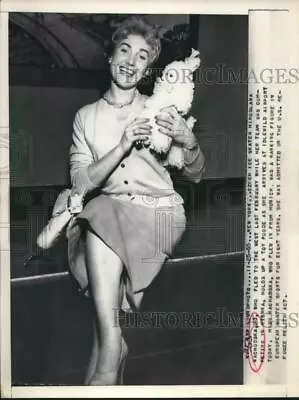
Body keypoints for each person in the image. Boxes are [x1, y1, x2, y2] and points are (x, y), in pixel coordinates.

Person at [67, 15, 206, 386]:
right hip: (109, 221)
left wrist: (188, 141)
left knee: (99, 215)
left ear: (147, 69)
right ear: (110, 56)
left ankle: (112, 351)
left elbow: (195, 173)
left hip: (159, 213)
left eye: (142, 56)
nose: (131, 61)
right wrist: (122, 144)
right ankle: (104, 370)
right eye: (125, 50)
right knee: (99, 214)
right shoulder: (86, 117)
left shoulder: (160, 107)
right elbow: (80, 183)